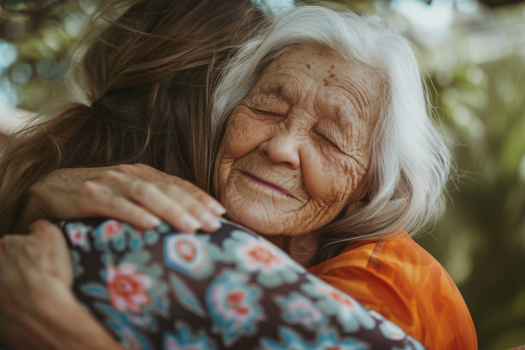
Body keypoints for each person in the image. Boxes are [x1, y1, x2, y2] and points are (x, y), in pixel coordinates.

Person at [0, 2, 477, 349]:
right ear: (224, 113)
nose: (283, 147)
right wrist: (39, 197)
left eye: (330, 140)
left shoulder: (381, 290)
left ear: (368, 189)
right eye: (269, 106)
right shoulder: (187, 233)